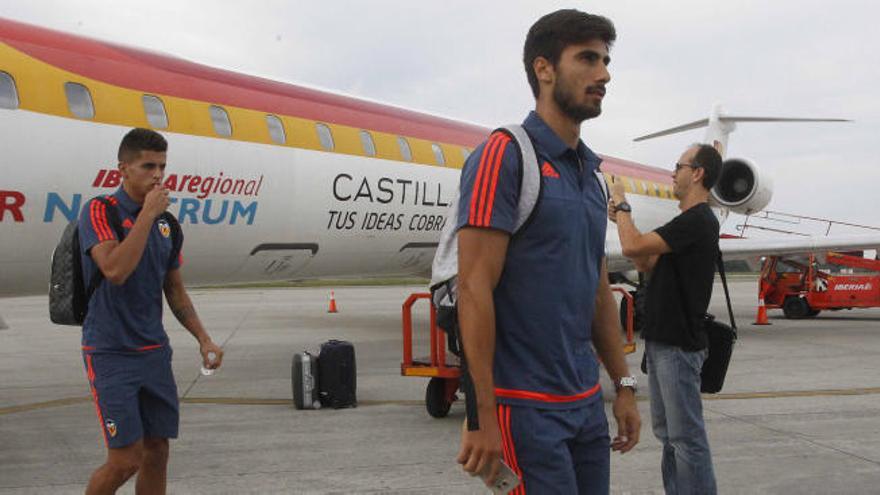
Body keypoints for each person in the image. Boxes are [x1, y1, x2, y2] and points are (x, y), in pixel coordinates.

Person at [455, 9, 641, 493]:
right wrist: (482, 415)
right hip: (524, 409)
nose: (603, 74)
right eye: (587, 59)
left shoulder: (591, 173)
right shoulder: (505, 155)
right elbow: (473, 289)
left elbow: (598, 290)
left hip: (584, 403)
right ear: (544, 69)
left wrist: (622, 386)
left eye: (604, 60)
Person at [79, 128, 224, 494]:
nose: (158, 175)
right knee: (125, 460)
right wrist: (146, 215)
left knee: (158, 450)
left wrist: (203, 337)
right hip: (111, 351)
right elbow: (114, 269)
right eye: (148, 166)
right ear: (123, 169)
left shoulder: (167, 226)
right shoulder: (100, 211)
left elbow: (174, 290)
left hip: (154, 353)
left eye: (162, 166)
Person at [608, 143, 723, 494]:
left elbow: (630, 248)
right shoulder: (683, 224)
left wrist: (622, 203)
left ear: (697, 173)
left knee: (686, 439)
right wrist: (623, 220)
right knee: (669, 437)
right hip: (661, 346)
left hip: (678, 347)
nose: (672, 174)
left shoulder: (699, 220)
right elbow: (644, 261)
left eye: (678, 166)